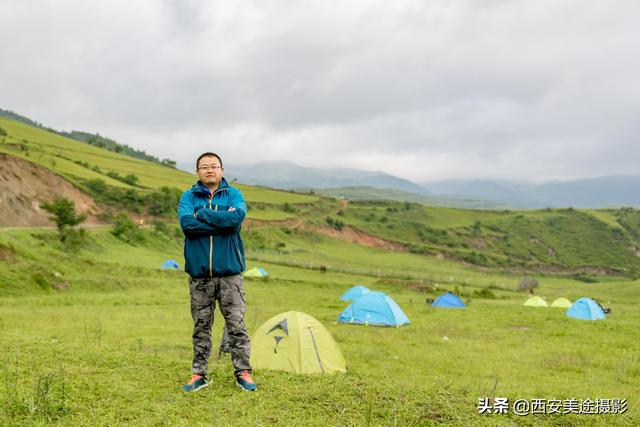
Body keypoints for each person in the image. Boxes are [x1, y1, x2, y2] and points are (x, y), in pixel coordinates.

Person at [177, 152, 256, 392]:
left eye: (214, 166)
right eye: (204, 167)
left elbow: (235, 221)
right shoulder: (188, 196)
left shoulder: (234, 194)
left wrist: (204, 214)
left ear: (221, 170)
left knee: (237, 325)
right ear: (198, 171)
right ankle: (199, 374)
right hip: (200, 277)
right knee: (201, 326)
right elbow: (187, 225)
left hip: (230, 275)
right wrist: (221, 221)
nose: (209, 170)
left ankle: (243, 372)